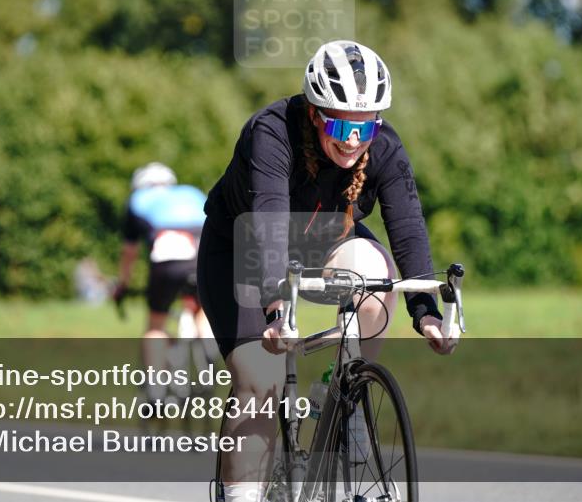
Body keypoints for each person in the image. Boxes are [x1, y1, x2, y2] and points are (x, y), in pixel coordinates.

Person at [197, 40, 458, 502]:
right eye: (340, 124)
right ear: (316, 113)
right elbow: (271, 220)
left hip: (325, 245)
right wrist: (278, 309)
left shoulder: (386, 150)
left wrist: (426, 311)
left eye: (366, 127)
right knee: (261, 380)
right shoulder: (272, 132)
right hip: (244, 248)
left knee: (375, 275)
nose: (353, 139)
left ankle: (343, 393)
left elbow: (408, 227)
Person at [114, 162, 214, 399]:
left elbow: (129, 253)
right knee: (203, 310)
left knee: (155, 326)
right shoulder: (190, 193)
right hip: (202, 256)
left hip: (167, 260)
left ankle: (156, 390)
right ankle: (208, 346)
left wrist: (122, 286)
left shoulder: (137, 200)